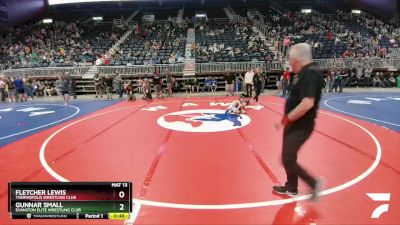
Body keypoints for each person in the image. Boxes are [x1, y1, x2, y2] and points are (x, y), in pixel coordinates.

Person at [273, 43, 323, 201]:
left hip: (301, 124)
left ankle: (313, 183)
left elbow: (307, 102)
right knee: (289, 157)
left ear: (298, 59)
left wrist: (287, 118)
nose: (290, 64)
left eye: (291, 61)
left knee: (287, 158)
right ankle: (291, 187)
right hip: (295, 123)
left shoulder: (310, 74)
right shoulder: (303, 73)